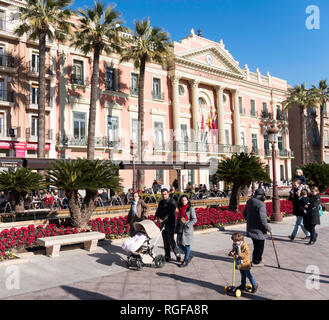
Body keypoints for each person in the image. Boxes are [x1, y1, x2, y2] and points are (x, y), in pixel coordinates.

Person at [243, 188, 271, 267]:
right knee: (260, 246)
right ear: (262, 195)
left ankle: (258, 258)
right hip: (259, 230)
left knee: (256, 245)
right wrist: (268, 228)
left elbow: (245, 214)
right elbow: (263, 219)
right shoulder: (261, 204)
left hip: (251, 227)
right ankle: (256, 261)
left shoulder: (249, 202)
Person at [154, 188, 180, 262]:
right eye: (162, 195)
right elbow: (158, 211)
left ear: (168, 194)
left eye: (165, 194)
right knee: (165, 240)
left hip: (170, 223)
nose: (164, 196)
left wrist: (163, 219)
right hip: (163, 223)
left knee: (170, 239)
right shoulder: (161, 202)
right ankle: (167, 255)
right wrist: (156, 218)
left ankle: (177, 254)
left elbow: (170, 213)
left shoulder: (172, 202)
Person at [175, 195, 197, 267]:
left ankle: (186, 260)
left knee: (187, 244)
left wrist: (188, 225)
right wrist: (177, 223)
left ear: (187, 200)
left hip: (187, 229)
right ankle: (188, 255)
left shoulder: (190, 208)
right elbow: (179, 217)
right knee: (178, 243)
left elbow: (194, 219)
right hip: (181, 227)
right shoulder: (180, 208)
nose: (184, 201)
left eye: (185, 200)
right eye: (182, 200)